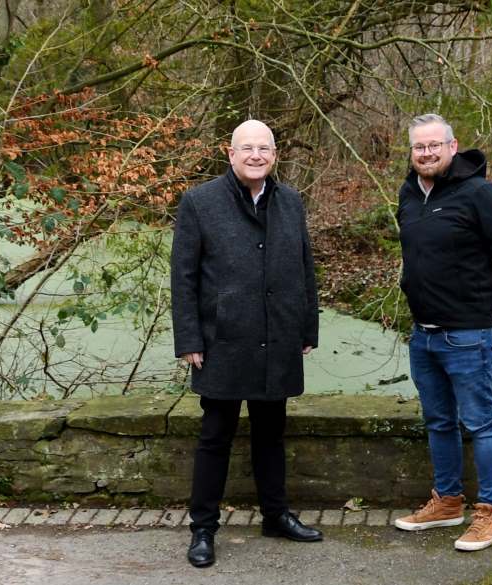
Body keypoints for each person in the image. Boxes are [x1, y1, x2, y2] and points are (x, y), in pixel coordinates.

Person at [170, 119, 323, 568]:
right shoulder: (200, 202)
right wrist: (189, 339)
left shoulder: (291, 201)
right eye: (247, 148)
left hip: (278, 336)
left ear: (275, 154)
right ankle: (203, 529)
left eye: (264, 148)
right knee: (215, 436)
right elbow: (184, 278)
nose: (256, 155)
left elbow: (304, 268)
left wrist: (306, 329)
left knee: (271, 434)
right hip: (221, 340)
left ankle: (276, 516)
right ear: (230, 153)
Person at [393, 113, 492, 551]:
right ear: (411, 152)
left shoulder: (480, 193)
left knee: (482, 423)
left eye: (434, 145)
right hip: (423, 335)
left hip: (467, 335)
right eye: (419, 147)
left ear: (453, 146)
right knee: (438, 421)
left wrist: (486, 304)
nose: (426, 153)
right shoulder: (409, 193)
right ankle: (448, 502)